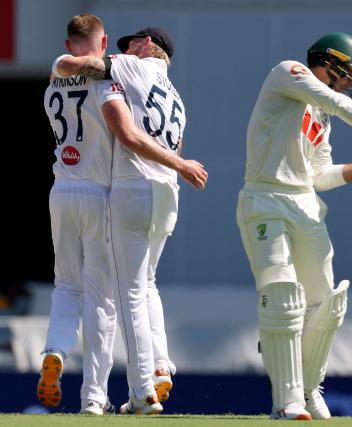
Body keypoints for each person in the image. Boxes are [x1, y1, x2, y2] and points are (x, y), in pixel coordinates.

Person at [236, 32, 352, 420]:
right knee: (283, 294)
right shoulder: (288, 73)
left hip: (305, 203)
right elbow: (333, 99)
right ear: (330, 63)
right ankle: (287, 401)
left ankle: (310, 389)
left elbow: (319, 177)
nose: (349, 86)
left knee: (326, 303)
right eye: (348, 75)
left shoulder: (322, 118)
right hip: (265, 197)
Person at [55, 26, 208, 415]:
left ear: (149, 46)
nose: (126, 50)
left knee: (130, 293)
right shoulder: (177, 95)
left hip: (135, 187)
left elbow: (77, 65)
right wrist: (180, 166)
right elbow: (174, 147)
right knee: (148, 283)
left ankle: (142, 391)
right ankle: (160, 364)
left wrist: (64, 64)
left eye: (132, 44)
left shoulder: (129, 67)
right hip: (167, 193)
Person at [40, 13, 122, 415]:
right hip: (98, 191)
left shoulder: (55, 78)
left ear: (70, 41)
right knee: (101, 297)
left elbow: (67, 66)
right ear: (103, 42)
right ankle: (93, 396)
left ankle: (55, 351)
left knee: (65, 286)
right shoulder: (105, 79)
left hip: (61, 188)